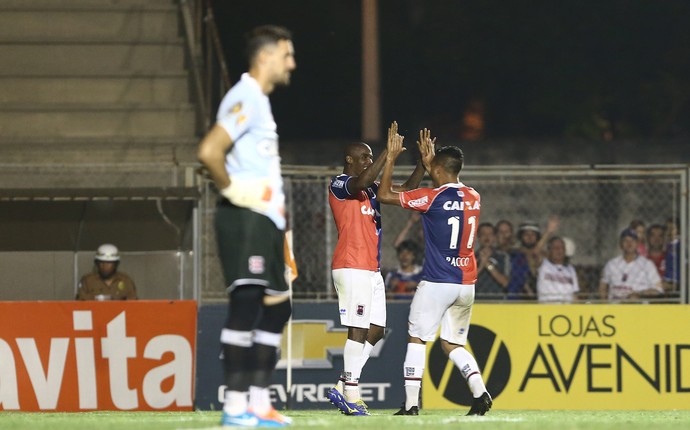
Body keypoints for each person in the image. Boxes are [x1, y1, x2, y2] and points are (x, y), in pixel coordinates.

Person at [197, 25, 296, 428]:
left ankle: (258, 404)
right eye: (287, 54)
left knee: (279, 308)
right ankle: (235, 409)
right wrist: (235, 192)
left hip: (267, 220)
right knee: (247, 304)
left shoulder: (258, 100)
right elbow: (209, 150)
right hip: (245, 217)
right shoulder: (245, 96)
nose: (292, 63)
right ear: (266, 56)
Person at [377, 127, 492, 416]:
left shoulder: (431, 198)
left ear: (438, 169)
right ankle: (480, 393)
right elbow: (447, 185)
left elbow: (385, 195)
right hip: (467, 282)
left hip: (438, 281)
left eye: (432, 169)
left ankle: (412, 404)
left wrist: (391, 159)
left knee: (417, 338)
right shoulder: (474, 196)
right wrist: (431, 165)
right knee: (452, 343)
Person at [326, 121, 426, 416]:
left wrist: (421, 164)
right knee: (357, 329)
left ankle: (342, 385)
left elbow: (406, 190)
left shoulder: (370, 191)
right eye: (365, 157)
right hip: (351, 265)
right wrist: (387, 154)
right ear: (350, 160)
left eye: (371, 157)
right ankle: (351, 395)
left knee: (376, 330)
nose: (370, 162)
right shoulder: (340, 184)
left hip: (371, 269)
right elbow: (359, 183)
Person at [598, 228, 663, 302]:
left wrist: (639, 294)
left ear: (637, 244)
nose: (629, 244)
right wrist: (605, 305)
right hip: (615, 309)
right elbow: (602, 287)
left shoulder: (647, 265)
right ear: (620, 244)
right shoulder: (611, 264)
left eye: (632, 241)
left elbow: (658, 290)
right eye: (626, 241)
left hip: (638, 309)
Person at [536, 236, 579, 303]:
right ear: (549, 251)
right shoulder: (544, 265)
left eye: (562, 248)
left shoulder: (570, 269)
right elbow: (536, 252)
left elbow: (574, 295)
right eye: (555, 248)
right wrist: (548, 232)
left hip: (567, 309)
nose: (559, 250)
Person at [474, 223, 510, 301]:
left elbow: (505, 283)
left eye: (490, 234)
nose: (487, 237)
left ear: (494, 237)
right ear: (478, 237)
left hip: (497, 301)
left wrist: (488, 264)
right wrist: (481, 266)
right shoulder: (470, 257)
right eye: (483, 234)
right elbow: (466, 282)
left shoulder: (503, 257)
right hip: (476, 301)